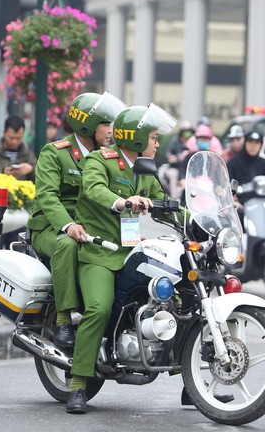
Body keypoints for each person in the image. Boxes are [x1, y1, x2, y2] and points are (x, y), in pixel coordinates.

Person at [66, 103, 176, 414]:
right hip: (99, 253)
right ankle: (77, 384)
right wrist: (122, 202)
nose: (157, 143)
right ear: (138, 138)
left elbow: (164, 201)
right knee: (99, 309)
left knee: (177, 301)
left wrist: (201, 221)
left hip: (131, 252)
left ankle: (190, 384)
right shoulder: (100, 161)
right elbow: (94, 189)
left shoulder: (144, 170)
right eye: (154, 138)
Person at [27, 91, 126, 349]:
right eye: (105, 124)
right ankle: (62, 320)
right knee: (68, 245)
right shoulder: (55, 153)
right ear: (87, 125)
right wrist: (68, 225)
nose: (110, 130)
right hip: (51, 228)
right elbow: (47, 196)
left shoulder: (108, 157)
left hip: (92, 227)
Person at [0, 115, 36, 181]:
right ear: (4, 133)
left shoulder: (28, 155)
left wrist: (31, 170)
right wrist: (2, 173)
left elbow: (41, 181)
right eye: (11, 138)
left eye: (18, 138)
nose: (14, 142)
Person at [164, 120, 194, 198]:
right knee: (174, 175)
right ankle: (175, 199)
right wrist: (177, 157)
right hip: (176, 168)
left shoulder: (194, 142)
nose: (187, 134)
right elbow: (169, 156)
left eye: (189, 132)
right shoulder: (174, 141)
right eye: (185, 132)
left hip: (189, 169)